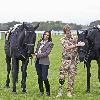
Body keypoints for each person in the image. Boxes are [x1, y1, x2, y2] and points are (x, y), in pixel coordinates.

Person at [56, 24, 85, 97]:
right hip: (65, 61)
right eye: (67, 32)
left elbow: (80, 45)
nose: (69, 33)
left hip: (73, 61)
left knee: (71, 77)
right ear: (64, 32)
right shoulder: (62, 39)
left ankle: (69, 91)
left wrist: (82, 43)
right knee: (62, 76)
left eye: (70, 32)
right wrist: (77, 45)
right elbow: (67, 47)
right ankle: (60, 91)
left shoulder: (75, 38)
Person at [33, 31, 54, 96]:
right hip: (37, 62)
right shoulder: (39, 42)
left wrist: (37, 55)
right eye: (45, 34)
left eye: (48, 35)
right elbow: (36, 50)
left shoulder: (50, 43)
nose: (46, 36)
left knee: (44, 78)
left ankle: (48, 91)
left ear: (49, 36)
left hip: (45, 62)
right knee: (39, 77)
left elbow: (46, 53)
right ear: (43, 35)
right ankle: (41, 91)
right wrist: (34, 54)